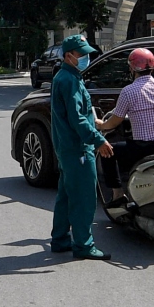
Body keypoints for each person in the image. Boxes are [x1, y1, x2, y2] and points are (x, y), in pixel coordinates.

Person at [49, 34, 114, 261]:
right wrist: (98, 139)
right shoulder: (69, 80)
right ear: (69, 56)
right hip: (78, 148)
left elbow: (74, 114)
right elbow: (77, 119)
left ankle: (59, 239)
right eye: (82, 54)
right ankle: (84, 245)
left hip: (67, 147)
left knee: (66, 196)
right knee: (84, 199)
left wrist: (92, 122)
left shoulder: (65, 77)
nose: (86, 57)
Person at [95, 48, 154, 205]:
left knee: (107, 152)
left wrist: (101, 125)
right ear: (153, 66)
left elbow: (115, 121)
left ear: (132, 68)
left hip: (143, 148)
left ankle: (118, 194)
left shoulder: (128, 91)